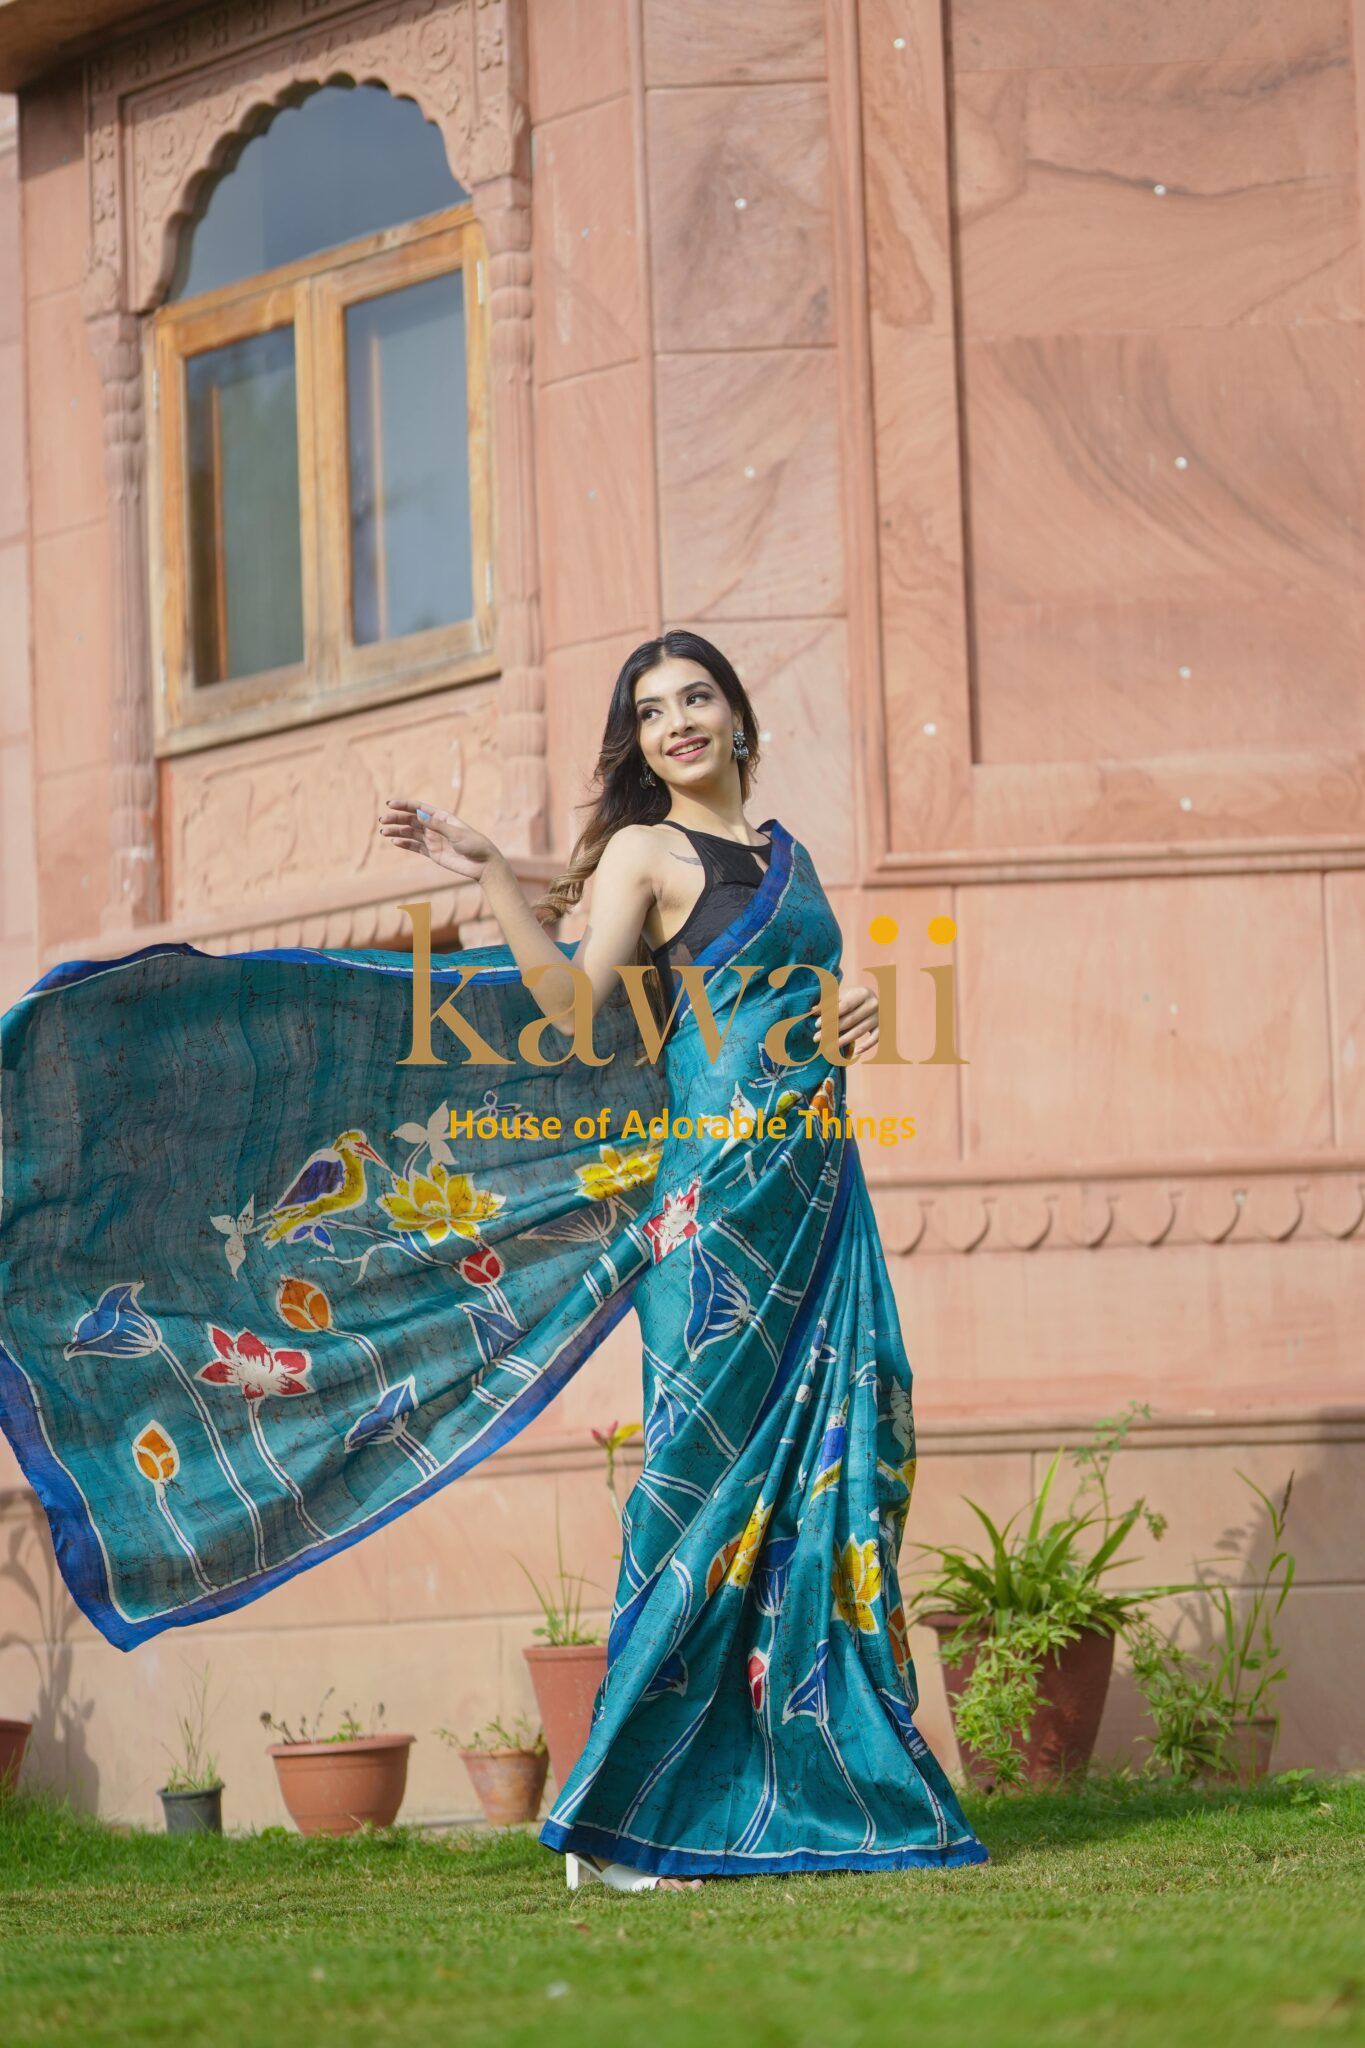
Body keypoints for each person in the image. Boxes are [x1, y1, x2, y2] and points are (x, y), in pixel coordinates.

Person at [0, 628, 988, 1887]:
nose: (678, 721)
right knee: (699, 1484)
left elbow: (767, 1004)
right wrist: (498, 886)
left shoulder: (787, 855)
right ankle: (620, 1811)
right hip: (720, 1210)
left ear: (742, 718)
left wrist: (854, 1022)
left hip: (818, 1191)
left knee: (848, 1463)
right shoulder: (647, 850)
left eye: (698, 698)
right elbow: (579, 1008)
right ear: (637, 743)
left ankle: (814, 1776)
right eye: (651, 710)